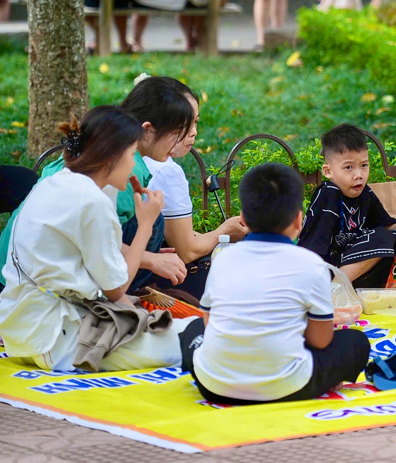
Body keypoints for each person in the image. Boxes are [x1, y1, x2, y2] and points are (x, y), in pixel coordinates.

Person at [0, 106, 189, 371]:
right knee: (188, 340)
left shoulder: (59, 181)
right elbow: (117, 289)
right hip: (55, 339)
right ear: (111, 155)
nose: (134, 163)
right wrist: (145, 224)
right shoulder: (92, 201)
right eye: (132, 153)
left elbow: (97, 245)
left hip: (22, 327)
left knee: (170, 328)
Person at [178, 163, 371, 405]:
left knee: (194, 330)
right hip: (287, 386)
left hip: (215, 385)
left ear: (244, 220)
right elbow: (320, 341)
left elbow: (209, 323)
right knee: (356, 343)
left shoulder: (223, 258)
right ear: (299, 221)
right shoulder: (312, 265)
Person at [0, 76, 194, 292]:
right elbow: (115, 288)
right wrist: (146, 247)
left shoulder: (74, 172)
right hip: (40, 300)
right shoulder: (113, 182)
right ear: (147, 130)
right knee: (153, 220)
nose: (188, 136)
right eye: (178, 132)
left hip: (10, 274)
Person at [142, 77, 247, 297]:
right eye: (183, 126)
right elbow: (186, 251)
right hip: (161, 282)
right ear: (149, 129)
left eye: (195, 122)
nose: (193, 132)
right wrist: (223, 232)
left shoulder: (125, 155)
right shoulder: (166, 171)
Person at [297, 124, 396, 287]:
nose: (359, 175)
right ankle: (333, 291)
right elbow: (315, 248)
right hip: (320, 269)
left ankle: (374, 288)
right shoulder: (329, 193)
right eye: (348, 167)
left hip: (350, 263)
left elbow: (387, 225)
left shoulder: (365, 194)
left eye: (364, 165)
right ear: (328, 171)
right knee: (381, 237)